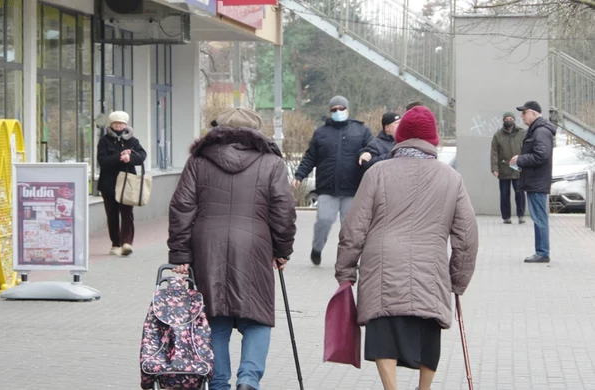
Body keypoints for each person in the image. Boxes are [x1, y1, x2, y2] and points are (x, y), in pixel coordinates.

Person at [335, 106, 478, 390]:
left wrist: (345, 272)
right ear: (433, 140)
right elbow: (468, 235)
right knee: (427, 332)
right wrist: (458, 280)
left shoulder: (378, 173)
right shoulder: (451, 178)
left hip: (382, 268)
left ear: (400, 137)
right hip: (431, 269)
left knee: (383, 332)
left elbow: (354, 226)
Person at [168, 107, 296, 390]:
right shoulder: (271, 162)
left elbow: (182, 207)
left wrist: (180, 253)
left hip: (207, 247)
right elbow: (283, 210)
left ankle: (218, 384)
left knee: (215, 317)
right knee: (258, 317)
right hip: (255, 245)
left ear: (218, 129)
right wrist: (282, 249)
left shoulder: (199, 160)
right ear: (257, 132)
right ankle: (248, 381)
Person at [293, 96, 372, 265]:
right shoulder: (321, 133)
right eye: (334, 109)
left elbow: (372, 150)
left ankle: (349, 258)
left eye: (341, 108)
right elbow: (310, 157)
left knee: (350, 226)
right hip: (327, 188)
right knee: (324, 220)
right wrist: (300, 175)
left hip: (352, 189)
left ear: (347, 110)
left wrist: (367, 156)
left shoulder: (361, 131)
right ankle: (317, 248)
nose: (338, 112)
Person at [509, 101, 556, 263]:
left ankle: (542, 252)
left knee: (539, 218)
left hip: (537, 181)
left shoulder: (541, 131)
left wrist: (520, 159)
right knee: (538, 217)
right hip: (536, 180)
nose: (522, 116)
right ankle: (541, 251)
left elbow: (541, 155)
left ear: (534, 113)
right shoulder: (537, 130)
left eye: (524, 113)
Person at [96, 111, 147, 256]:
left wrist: (130, 158)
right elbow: (102, 161)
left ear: (126, 125)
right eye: (116, 123)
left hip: (128, 183)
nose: (118, 126)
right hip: (109, 184)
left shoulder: (133, 141)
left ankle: (127, 243)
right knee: (112, 215)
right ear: (111, 125)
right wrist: (119, 157)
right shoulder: (104, 141)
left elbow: (142, 156)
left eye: (121, 123)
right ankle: (115, 244)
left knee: (127, 213)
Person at [490, 111, 527, 224]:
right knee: (505, 194)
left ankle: (521, 216)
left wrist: (526, 163)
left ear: (514, 120)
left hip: (518, 168)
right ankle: (506, 217)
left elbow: (527, 149)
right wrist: (494, 168)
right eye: (506, 119)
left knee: (520, 193)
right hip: (504, 167)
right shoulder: (498, 135)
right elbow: (494, 153)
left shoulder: (522, 133)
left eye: (510, 118)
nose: (508, 121)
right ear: (503, 121)